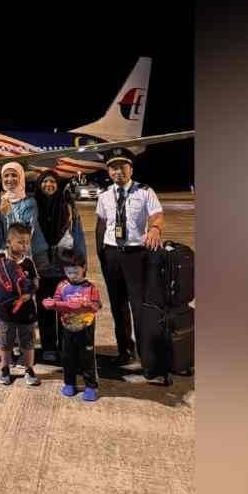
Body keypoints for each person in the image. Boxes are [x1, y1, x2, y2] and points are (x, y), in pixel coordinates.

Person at [94, 147, 164, 368]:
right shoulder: (104, 195)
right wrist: (101, 253)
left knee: (139, 306)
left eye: (122, 167)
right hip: (112, 254)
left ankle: (147, 356)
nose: (117, 172)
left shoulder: (144, 191)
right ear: (108, 171)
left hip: (136, 254)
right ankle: (125, 351)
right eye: (113, 168)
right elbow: (101, 224)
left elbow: (157, 214)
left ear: (130, 169)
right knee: (118, 306)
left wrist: (154, 229)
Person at [32, 169, 87, 363]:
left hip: (65, 265)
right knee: (45, 308)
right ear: (39, 185)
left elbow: (78, 234)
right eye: (45, 182)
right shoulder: (33, 206)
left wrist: (82, 262)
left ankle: (66, 346)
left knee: (66, 308)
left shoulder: (68, 206)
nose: (49, 185)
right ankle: (48, 346)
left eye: (53, 182)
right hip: (43, 266)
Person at [0, 222, 41, 386]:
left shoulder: (28, 262)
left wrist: (29, 293)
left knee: (28, 342)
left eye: (27, 242)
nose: (25, 246)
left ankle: (29, 369)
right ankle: (5, 368)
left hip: (26, 311)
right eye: (20, 242)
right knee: (5, 342)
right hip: (5, 312)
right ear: (9, 242)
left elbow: (35, 281)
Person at [42, 254, 102, 401]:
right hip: (67, 328)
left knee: (87, 357)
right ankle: (69, 383)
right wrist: (52, 304)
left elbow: (97, 305)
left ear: (84, 268)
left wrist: (88, 306)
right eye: (69, 272)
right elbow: (56, 301)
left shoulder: (90, 288)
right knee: (68, 357)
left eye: (76, 272)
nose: (72, 276)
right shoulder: (62, 286)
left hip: (85, 327)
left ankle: (90, 386)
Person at [0, 163, 47, 266]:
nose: (10, 179)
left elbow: (26, 234)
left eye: (14, 175)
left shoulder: (29, 203)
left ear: (21, 178)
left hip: (19, 257)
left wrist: (8, 214)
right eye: (6, 176)